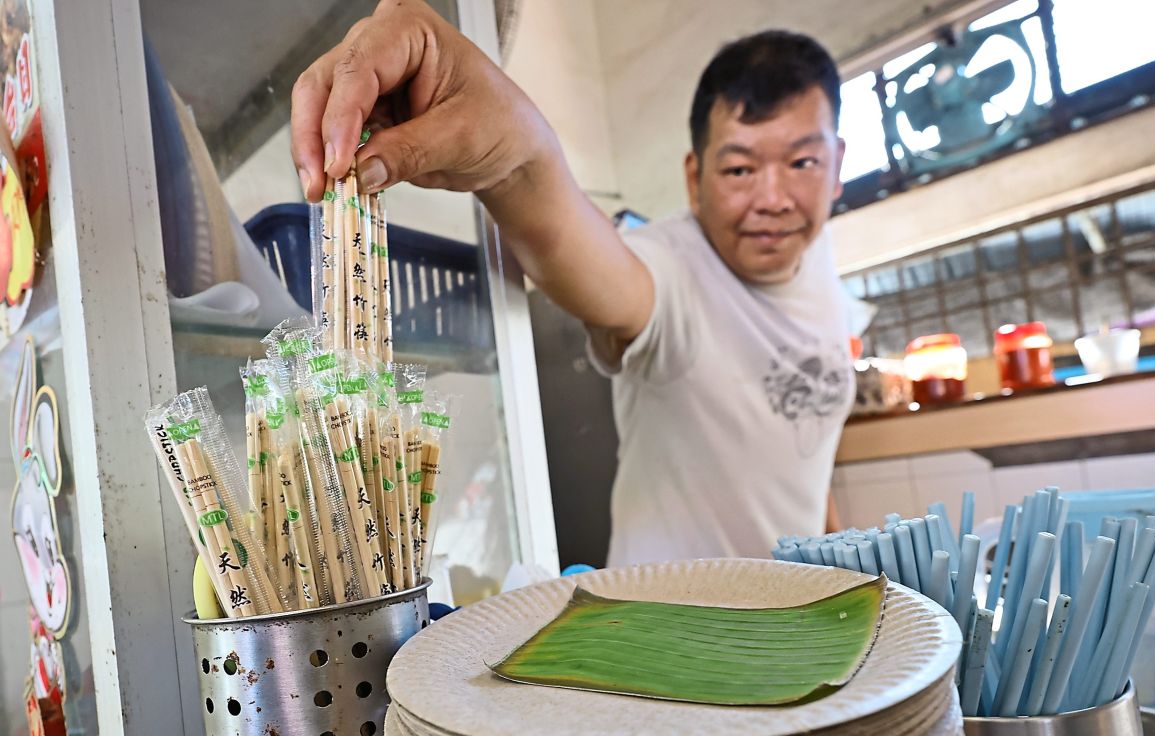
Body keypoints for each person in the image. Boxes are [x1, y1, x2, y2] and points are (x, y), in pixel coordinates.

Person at [292, 1, 855, 568]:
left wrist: (839, 558)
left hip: (797, 628)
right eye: (739, 169)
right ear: (694, 177)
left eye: (803, 163)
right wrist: (518, 158)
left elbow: (806, 444)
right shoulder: (672, 268)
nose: (774, 199)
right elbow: (578, 252)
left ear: (836, 166)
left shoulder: (819, 256)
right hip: (675, 631)